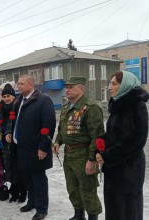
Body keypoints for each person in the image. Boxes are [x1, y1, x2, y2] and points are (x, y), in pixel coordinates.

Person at [96, 71, 148, 220]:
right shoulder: (118, 104)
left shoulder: (136, 105)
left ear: (125, 85)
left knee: (128, 209)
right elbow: (114, 133)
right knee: (114, 208)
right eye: (110, 83)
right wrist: (101, 142)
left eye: (114, 84)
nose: (109, 87)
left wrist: (108, 155)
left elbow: (137, 139)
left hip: (129, 168)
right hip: (114, 167)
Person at [53, 76, 104, 220]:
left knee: (87, 189)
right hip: (69, 155)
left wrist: (91, 158)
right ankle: (78, 214)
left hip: (84, 154)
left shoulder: (91, 108)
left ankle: (92, 217)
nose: (67, 90)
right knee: (72, 187)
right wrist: (58, 142)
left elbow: (98, 136)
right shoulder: (65, 108)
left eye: (71, 87)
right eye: (66, 87)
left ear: (81, 88)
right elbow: (62, 128)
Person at [6, 74, 56, 220]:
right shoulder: (18, 100)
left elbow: (48, 125)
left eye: (21, 84)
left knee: (38, 179)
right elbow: (13, 119)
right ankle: (32, 202)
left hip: (35, 149)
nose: (18, 86)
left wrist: (43, 147)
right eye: (18, 84)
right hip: (20, 148)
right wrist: (9, 131)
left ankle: (42, 208)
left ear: (30, 85)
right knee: (27, 178)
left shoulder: (43, 100)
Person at [0, 83, 27, 203]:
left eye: (9, 96)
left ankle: (23, 192)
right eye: (4, 96)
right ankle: (13, 192)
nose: (6, 98)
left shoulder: (18, 106)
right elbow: (0, 122)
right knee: (8, 168)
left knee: (18, 168)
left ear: (14, 96)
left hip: (16, 141)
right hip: (5, 142)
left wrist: (10, 132)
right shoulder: (0, 107)